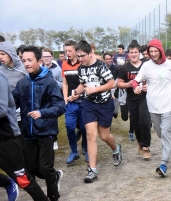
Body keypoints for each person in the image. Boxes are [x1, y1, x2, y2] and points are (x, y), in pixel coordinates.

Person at [12, 46, 66, 201]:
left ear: (39, 61)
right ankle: (54, 176)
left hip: (46, 131)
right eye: (24, 61)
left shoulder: (49, 82)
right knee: (32, 168)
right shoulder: (22, 83)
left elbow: (60, 106)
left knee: (45, 166)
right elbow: (11, 103)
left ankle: (53, 195)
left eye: (30, 60)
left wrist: (42, 113)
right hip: (27, 133)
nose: (26, 63)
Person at [73, 40, 122, 183]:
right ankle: (92, 170)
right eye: (78, 56)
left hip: (105, 104)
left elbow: (112, 83)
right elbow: (83, 83)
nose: (80, 59)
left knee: (104, 136)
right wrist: (76, 92)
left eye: (82, 56)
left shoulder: (101, 66)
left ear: (90, 53)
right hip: (88, 104)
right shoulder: (81, 68)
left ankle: (116, 149)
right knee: (90, 135)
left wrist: (94, 89)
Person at [133, 39, 171, 177]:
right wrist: (136, 87)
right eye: (150, 51)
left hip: (169, 104)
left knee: (165, 132)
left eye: (155, 51)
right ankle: (164, 140)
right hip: (153, 105)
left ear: (161, 51)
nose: (153, 54)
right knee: (160, 133)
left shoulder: (170, 64)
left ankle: (163, 163)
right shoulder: (146, 66)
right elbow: (136, 81)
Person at [0, 71, 49, 201]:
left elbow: (2, 110)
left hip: (6, 137)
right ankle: (7, 182)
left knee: (23, 179)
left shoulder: (0, 77)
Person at [118, 42, 152, 159]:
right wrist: (129, 84)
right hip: (132, 99)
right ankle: (140, 142)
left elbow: (155, 80)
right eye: (131, 52)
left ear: (139, 53)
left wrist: (149, 87)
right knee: (136, 123)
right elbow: (119, 83)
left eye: (135, 52)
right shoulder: (124, 67)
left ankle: (146, 147)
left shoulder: (147, 65)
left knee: (144, 120)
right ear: (128, 54)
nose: (133, 54)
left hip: (145, 97)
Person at [62, 40, 88, 163]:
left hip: (83, 100)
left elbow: (86, 83)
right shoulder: (64, 65)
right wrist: (65, 98)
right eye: (66, 51)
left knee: (84, 128)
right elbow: (65, 82)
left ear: (76, 51)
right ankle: (74, 152)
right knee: (69, 126)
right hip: (70, 102)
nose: (68, 53)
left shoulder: (82, 65)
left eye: (70, 51)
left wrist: (78, 95)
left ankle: (86, 149)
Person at [103, 52, 119, 118]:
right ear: (103, 60)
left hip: (115, 93)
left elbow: (118, 79)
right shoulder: (101, 69)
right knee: (107, 112)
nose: (109, 60)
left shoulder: (116, 68)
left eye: (110, 59)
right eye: (107, 59)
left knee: (115, 112)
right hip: (105, 93)